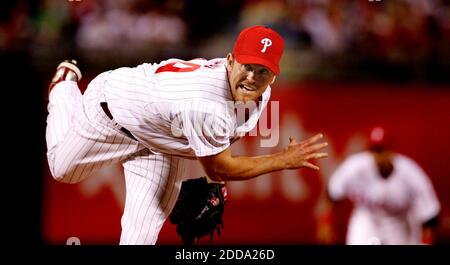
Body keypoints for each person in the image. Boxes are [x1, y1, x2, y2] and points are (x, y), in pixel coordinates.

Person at [45, 25, 329, 245]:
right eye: (247, 66)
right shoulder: (206, 105)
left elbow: (208, 147)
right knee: (62, 170)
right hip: (112, 111)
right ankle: (63, 88)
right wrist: (282, 159)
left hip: (161, 142)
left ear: (274, 76)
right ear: (230, 61)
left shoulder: (259, 94)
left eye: (263, 71)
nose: (253, 77)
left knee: (140, 235)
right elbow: (220, 167)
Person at [318, 126, 440, 245]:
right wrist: (326, 222)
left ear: (391, 150)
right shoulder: (355, 167)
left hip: (398, 223)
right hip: (367, 218)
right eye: (375, 150)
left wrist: (426, 241)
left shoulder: (410, 173)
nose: (379, 155)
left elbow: (430, 216)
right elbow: (332, 193)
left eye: (382, 150)